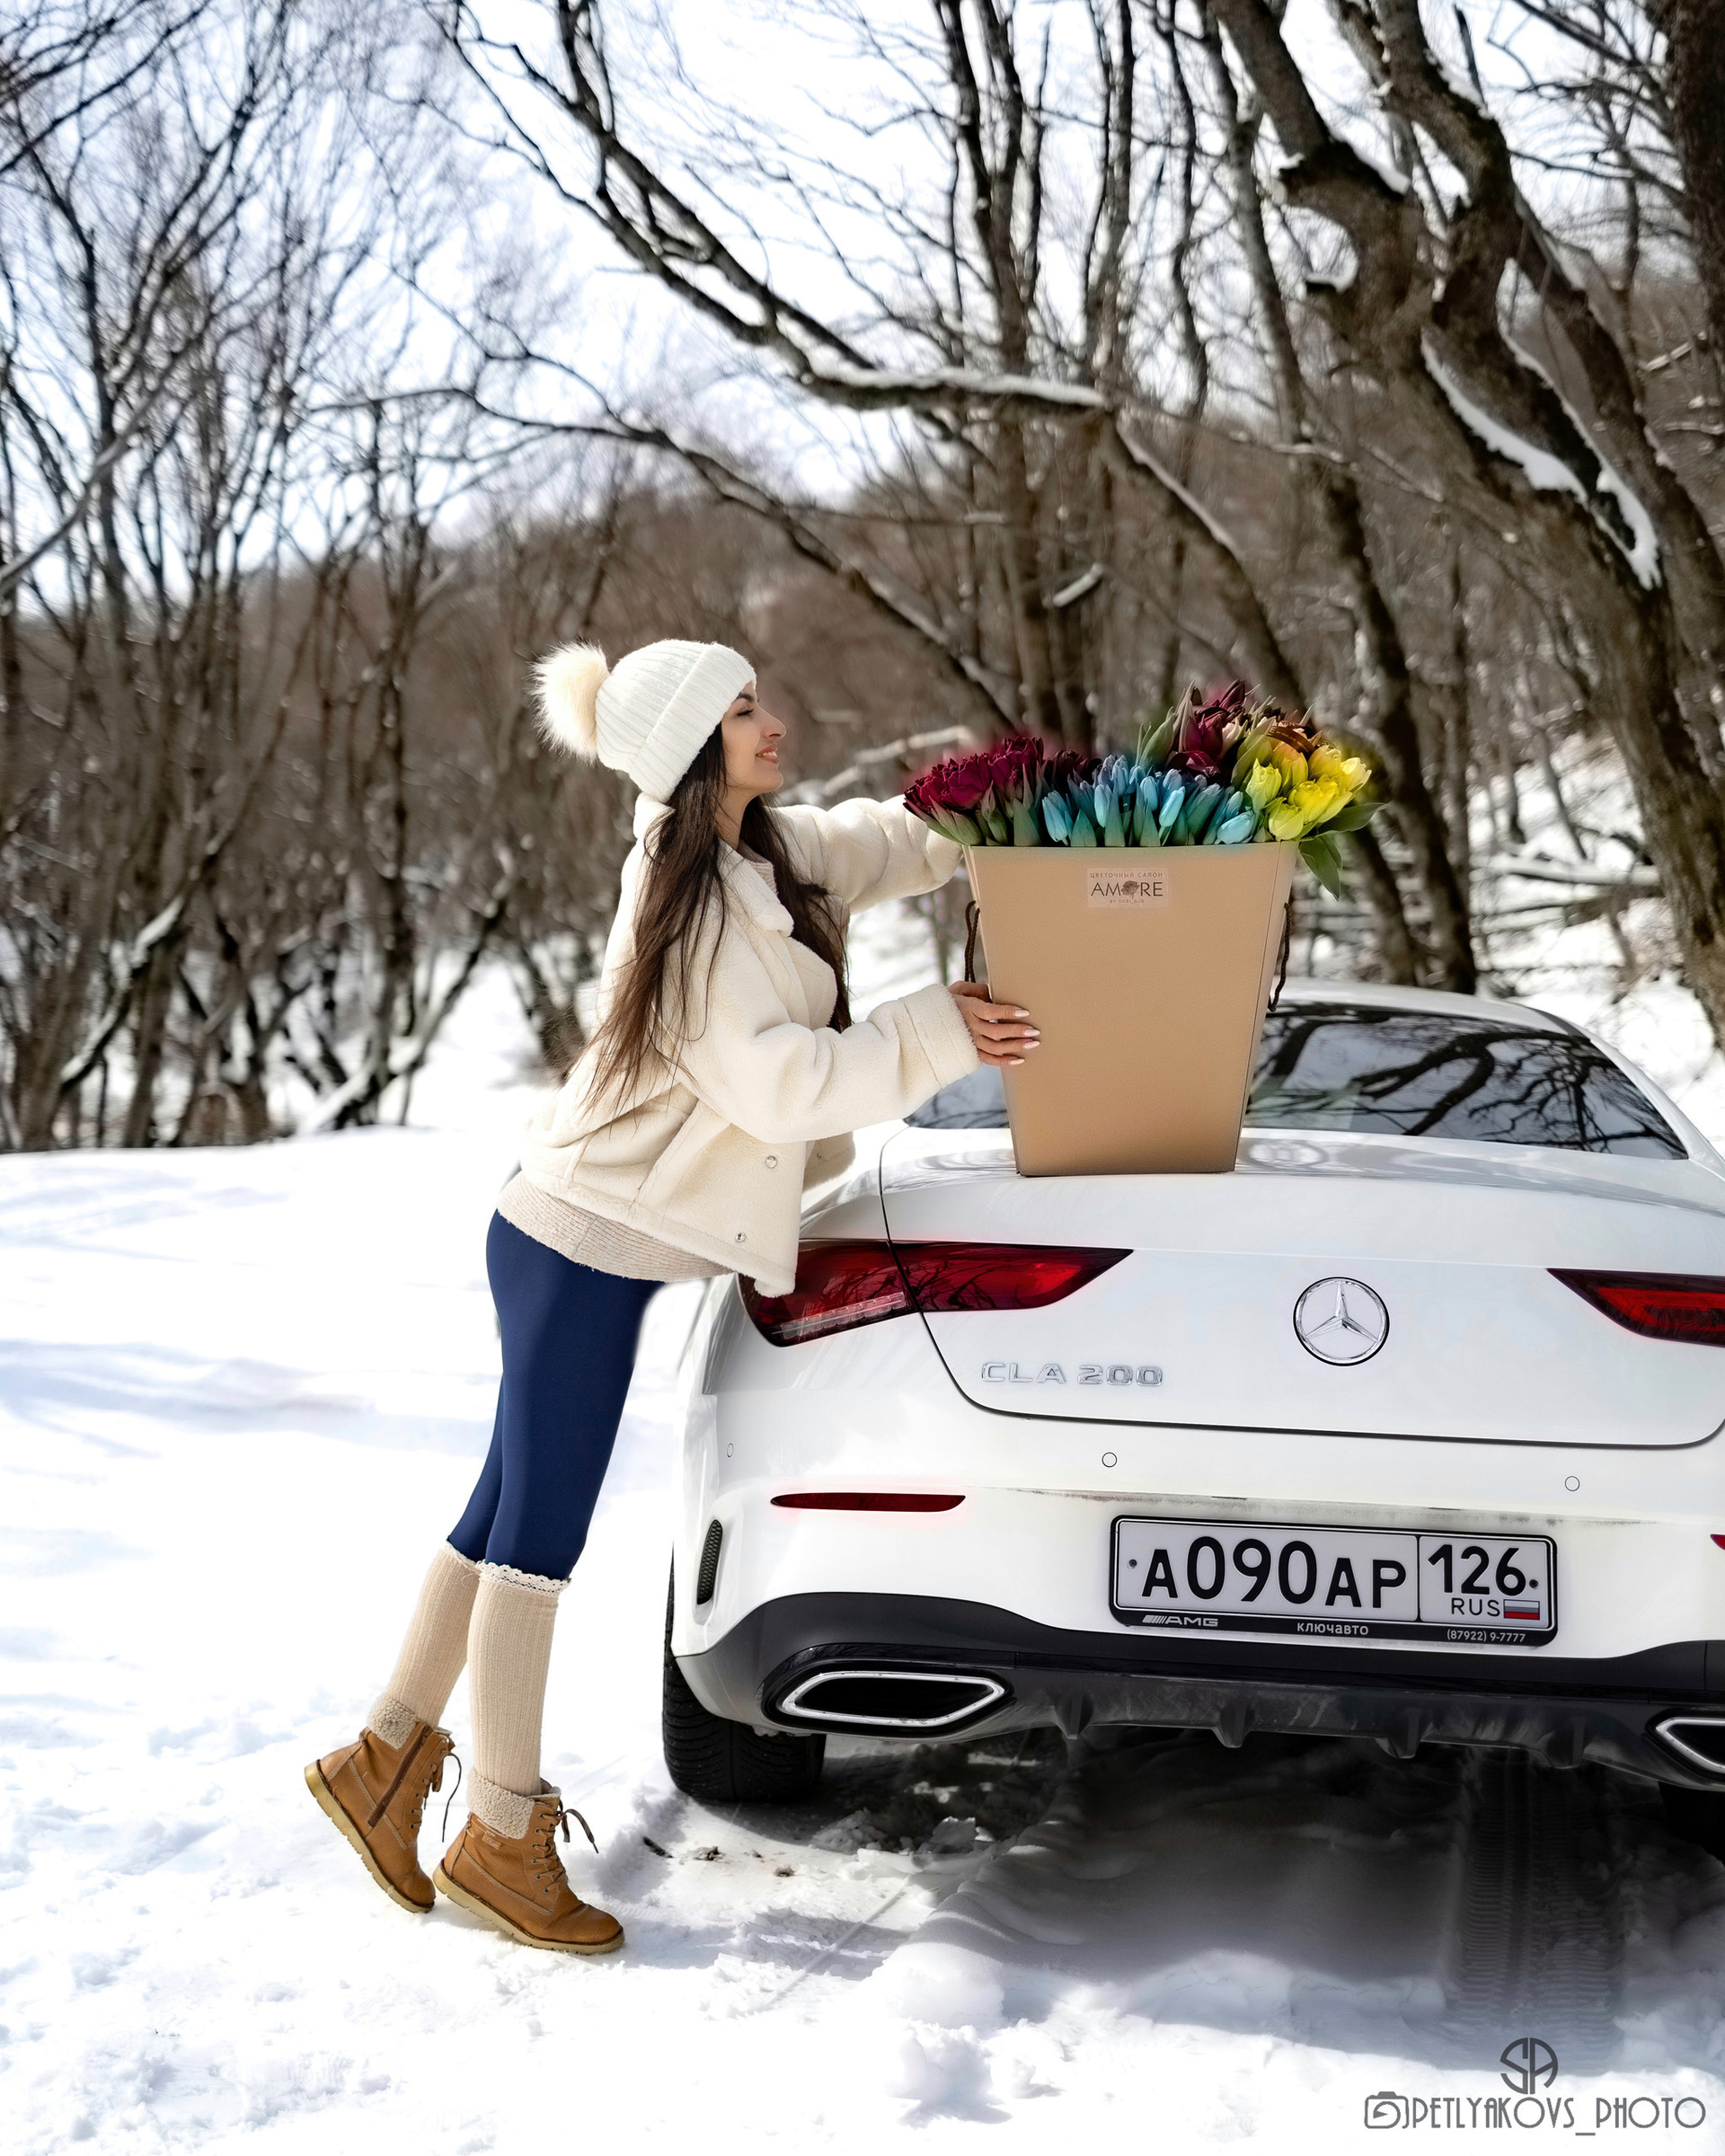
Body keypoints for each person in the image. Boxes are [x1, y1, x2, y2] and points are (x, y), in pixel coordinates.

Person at [304, 638, 1039, 1953]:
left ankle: (381, 1765)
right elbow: (784, 1086)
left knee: (500, 1516)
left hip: (591, 1239)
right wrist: (937, 1029)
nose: (772, 720)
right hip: (578, 1247)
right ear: (694, 747)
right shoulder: (690, 908)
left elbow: (875, 843)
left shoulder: (760, 850)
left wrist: (989, 810)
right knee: (536, 1542)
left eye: (761, 698)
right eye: (742, 710)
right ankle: (502, 1839)